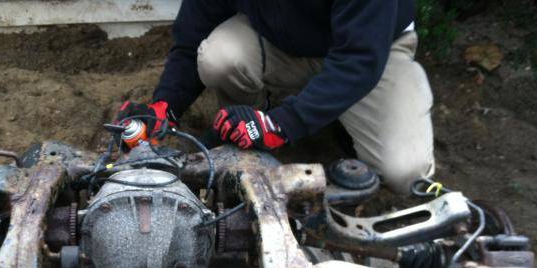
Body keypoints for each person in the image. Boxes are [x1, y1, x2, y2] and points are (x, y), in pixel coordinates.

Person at [117, 0, 434, 194]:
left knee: (404, 172)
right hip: (282, 44)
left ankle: (290, 123)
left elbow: (359, 60)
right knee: (218, 57)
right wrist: (165, 105)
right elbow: (193, 32)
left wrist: (283, 123)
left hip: (372, 50)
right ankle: (247, 132)